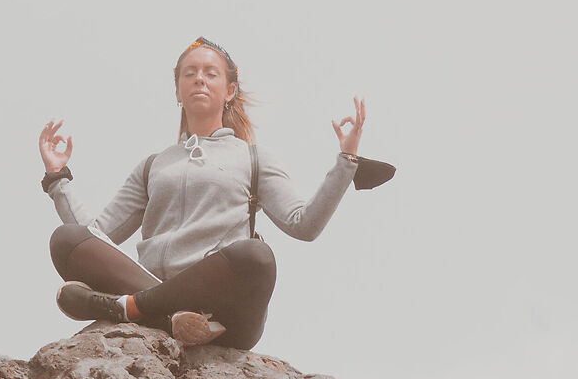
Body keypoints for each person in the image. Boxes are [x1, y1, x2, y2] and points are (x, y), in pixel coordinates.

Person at [38, 38, 378, 352]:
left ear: (229, 90)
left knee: (256, 257)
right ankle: (166, 318)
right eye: (190, 73)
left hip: (224, 312)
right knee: (66, 240)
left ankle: (129, 308)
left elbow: (303, 225)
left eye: (210, 73)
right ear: (177, 91)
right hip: (157, 286)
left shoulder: (253, 158)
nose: (199, 79)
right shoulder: (153, 165)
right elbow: (98, 237)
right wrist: (57, 178)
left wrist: (346, 161)